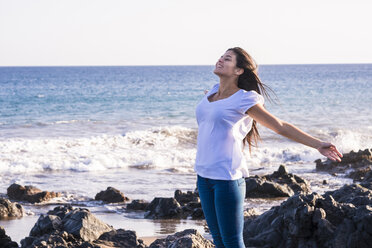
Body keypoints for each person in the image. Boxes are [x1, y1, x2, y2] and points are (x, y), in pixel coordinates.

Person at [194, 47, 343, 248]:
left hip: (227, 178)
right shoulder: (211, 92)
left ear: (239, 71)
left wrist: (317, 144)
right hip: (203, 176)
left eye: (227, 59)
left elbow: (280, 127)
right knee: (217, 239)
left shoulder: (244, 99)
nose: (220, 60)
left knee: (232, 242)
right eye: (221, 56)